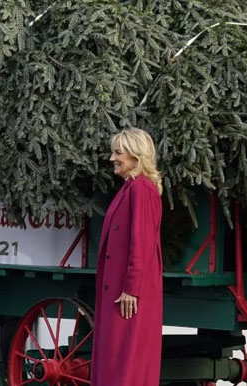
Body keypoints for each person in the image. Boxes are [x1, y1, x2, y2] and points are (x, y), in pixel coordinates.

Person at [91, 127, 164, 386]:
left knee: (124, 365)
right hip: (121, 293)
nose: (112, 158)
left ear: (136, 156)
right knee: (115, 362)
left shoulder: (140, 189)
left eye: (118, 152)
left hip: (129, 295)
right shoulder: (131, 187)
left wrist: (131, 289)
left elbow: (142, 242)